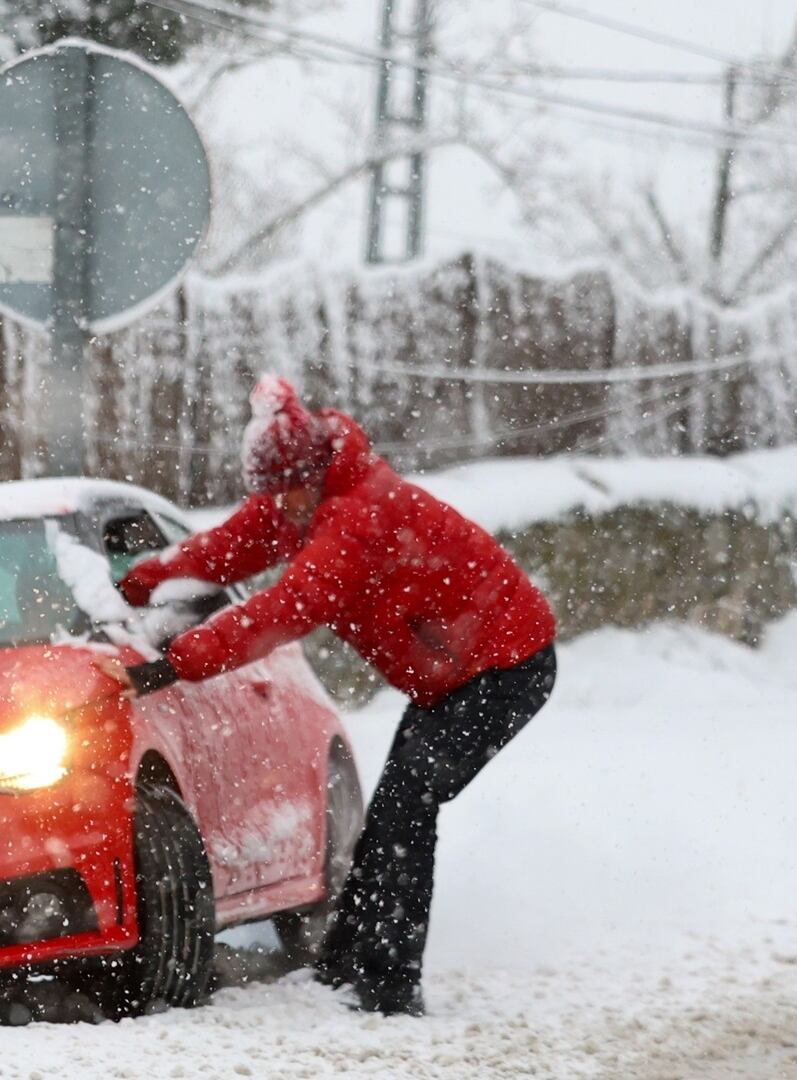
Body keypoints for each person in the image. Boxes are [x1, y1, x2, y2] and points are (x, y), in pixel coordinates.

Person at [117, 375, 557, 1017]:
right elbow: (230, 547)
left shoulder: (360, 515)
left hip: (506, 668)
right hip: (452, 677)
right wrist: (146, 577)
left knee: (407, 809)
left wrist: (183, 660)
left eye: (287, 492)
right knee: (394, 812)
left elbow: (291, 606)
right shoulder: (298, 499)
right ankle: (349, 964)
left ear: (315, 473)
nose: (279, 506)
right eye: (270, 494)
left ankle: (387, 984)